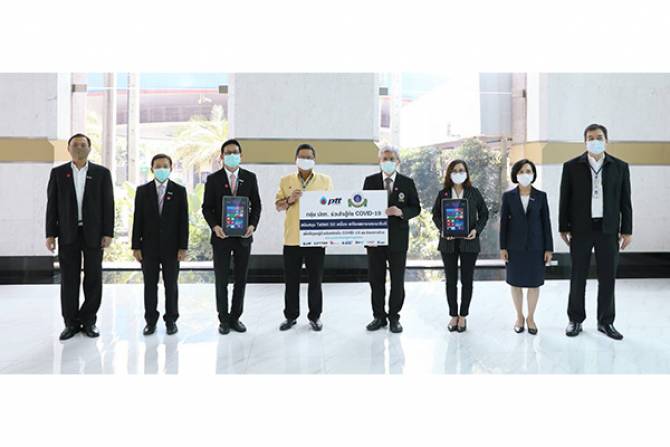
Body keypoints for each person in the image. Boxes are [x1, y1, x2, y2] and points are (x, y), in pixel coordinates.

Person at [559, 123, 633, 340]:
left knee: (608, 277)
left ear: (606, 140)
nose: (595, 141)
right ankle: (575, 319)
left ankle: (606, 321)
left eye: (599, 137)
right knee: (578, 276)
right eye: (590, 138)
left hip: (608, 229)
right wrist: (563, 227)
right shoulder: (571, 166)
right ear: (585, 141)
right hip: (580, 229)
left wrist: (627, 230)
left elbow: (625, 201)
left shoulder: (620, 167)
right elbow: (565, 198)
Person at [45, 133, 115, 340]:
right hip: (68, 233)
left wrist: (108, 232)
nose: (79, 148)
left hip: (93, 233)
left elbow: (108, 205)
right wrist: (50, 234)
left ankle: (89, 320)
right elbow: (52, 205)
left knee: (93, 278)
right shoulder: (58, 173)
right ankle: (71, 323)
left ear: (89, 148)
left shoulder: (101, 173)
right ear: (68, 149)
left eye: (83, 145)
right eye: (75, 144)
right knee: (69, 279)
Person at [202, 139, 262, 335]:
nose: (232, 155)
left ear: (241, 156)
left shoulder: (250, 178)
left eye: (235, 152)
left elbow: (257, 205)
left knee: (240, 279)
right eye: (228, 153)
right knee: (221, 279)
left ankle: (236, 317)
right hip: (221, 238)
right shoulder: (213, 179)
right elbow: (206, 208)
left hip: (243, 237)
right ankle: (223, 319)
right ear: (221, 157)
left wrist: (252, 225)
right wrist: (215, 226)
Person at [275, 143, 333, 331]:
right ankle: (290, 316)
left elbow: (332, 209)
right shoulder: (286, 180)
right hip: (292, 239)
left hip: (316, 239)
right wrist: (289, 200)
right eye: (302, 157)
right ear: (295, 159)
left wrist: (328, 234)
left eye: (309, 157)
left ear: (314, 160)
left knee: (315, 281)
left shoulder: (325, 181)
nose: (305, 160)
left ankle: (315, 316)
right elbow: (278, 206)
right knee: (291, 281)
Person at [363, 145, 421, 333]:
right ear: (379, 161)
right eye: (384, 159)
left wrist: (401, 212)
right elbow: (363, 208)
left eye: (391, 159)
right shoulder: (370, 181)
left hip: (398, 241)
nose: (387, 162)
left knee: (397, 281)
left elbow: (416, 208)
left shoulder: (407, 182)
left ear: (398, 162)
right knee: (376, 280)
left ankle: (394, 317)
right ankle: (378, 317)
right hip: (375, 240)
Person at [132, 154, 189, 336]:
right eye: (158, 166)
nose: (161, 169)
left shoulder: (179, 191)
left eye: (165, 166)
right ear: (152, 169)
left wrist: (183, 247)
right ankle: (150, 321)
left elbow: (183, 221)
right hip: (148, 247)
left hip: (172, 248)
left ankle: (171, 320)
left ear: (171, 168)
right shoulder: (142, 191)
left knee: (171, 285)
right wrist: (136, 246)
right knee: (150, 285)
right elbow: (137, 220)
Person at [431, 159, 488, 332]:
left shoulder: (474, 192)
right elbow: (435, 215)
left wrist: (476, 230)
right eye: (454, 170)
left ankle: (463, 315)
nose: (458, 173)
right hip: (448, 243)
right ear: (449, 173)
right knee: (450, 281)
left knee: (467, 280)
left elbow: (484, 214)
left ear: (467, 173)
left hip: (469, 242)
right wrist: (442, 229)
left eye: (461, 170)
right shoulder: (443, 193)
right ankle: (453, 315)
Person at [499, 159, 553, 335]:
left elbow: (546, 223)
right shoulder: (508, 197)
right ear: (516, 174)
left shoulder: (541, 196)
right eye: (521, 171)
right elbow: (504, 224)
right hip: (514, 248)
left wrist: (549, 248)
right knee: (515, 284)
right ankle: (519, 317)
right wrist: (502, 247)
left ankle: (530, 317)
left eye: (528, 171)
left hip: (536, 247)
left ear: (533, 174)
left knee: (534, 284)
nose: (525, 174)